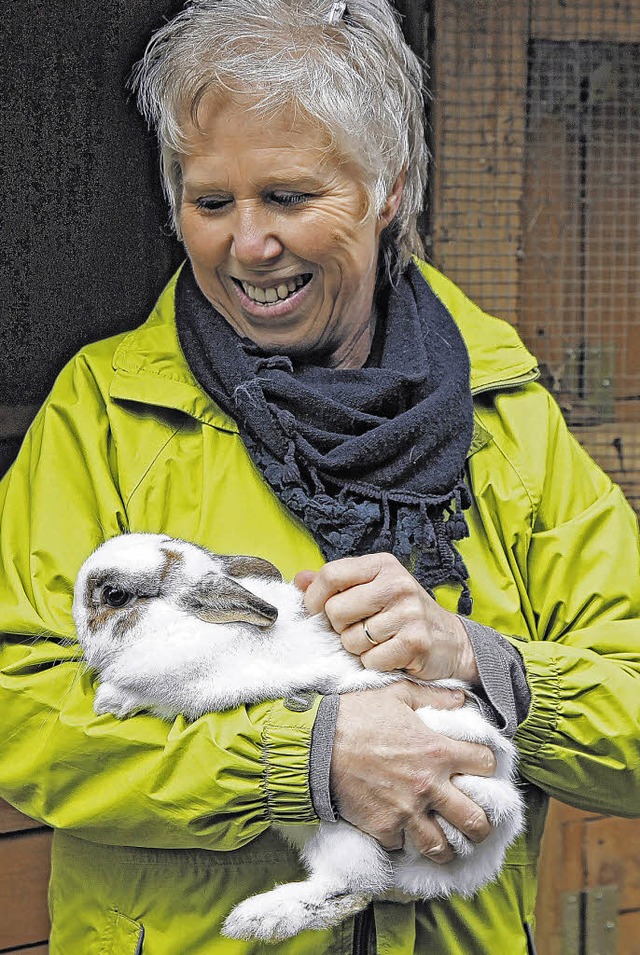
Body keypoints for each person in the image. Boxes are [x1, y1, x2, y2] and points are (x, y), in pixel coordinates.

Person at [0, 1, 638, 952]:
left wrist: (478, 659)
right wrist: (303, 761)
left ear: (391, 188)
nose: (247, 245)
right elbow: (20, 700)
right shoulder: (106, 412)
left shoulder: (506, 416)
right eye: (211, 202)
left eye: (291, 198)